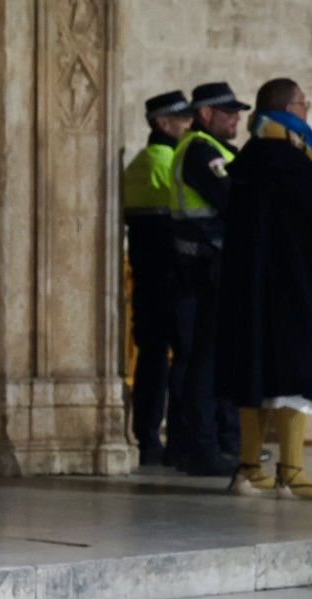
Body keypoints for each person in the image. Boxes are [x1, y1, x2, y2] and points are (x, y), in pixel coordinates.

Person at [216, 78, 312, 500]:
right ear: (286, 108)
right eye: (302, 102)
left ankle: (248, 469)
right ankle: (291, 472)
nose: (307, 108)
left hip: (251, 290)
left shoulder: (250, 157)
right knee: (293, 374)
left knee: (255, 373)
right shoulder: (291, 160)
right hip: (291, 293)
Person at [167, 81, 248, 476]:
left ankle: (212, 445)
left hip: (208, 266)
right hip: (205, 267)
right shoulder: (200, 149)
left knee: (209, 359)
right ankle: (202, 450)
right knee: (205, 361)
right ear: (205, 114)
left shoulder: (215, 148)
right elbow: (233, 199)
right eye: (228, 111)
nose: (236, 118)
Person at [121, 90, 191, 467]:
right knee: (181, 358)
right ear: (162, 123)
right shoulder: (164, 161)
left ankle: (148, 438)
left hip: (147, 276)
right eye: (181, 119)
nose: (188, 124)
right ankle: (179, 439)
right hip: (172, 275)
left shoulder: (138, 162)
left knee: (151, 358)